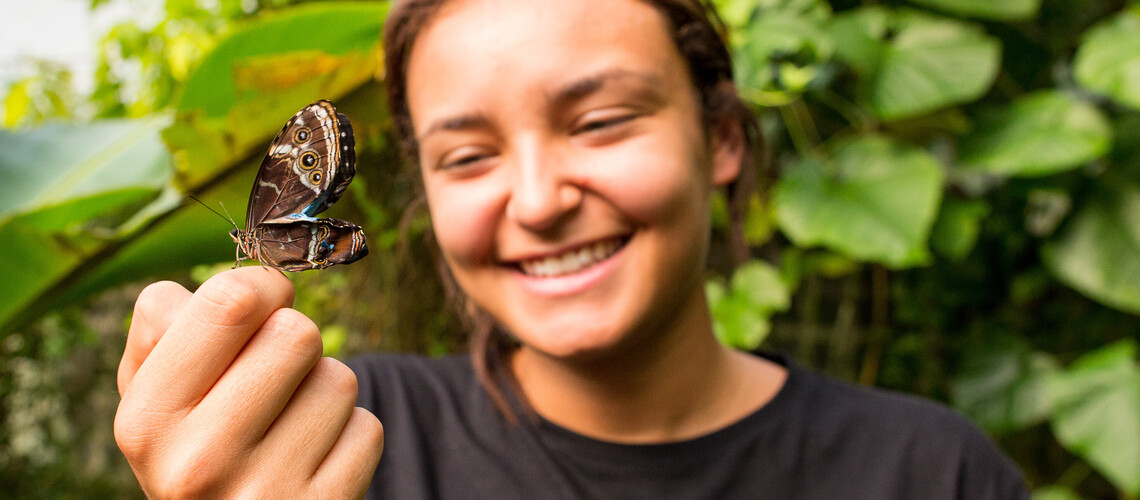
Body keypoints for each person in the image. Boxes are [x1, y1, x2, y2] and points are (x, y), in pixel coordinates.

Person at [114, 0, 1031, 498]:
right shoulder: (330, 430)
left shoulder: (934, 469)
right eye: (468, 155)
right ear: (427, 192)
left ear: (722, 139)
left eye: (599, 121)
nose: (542, 200)